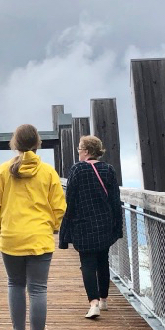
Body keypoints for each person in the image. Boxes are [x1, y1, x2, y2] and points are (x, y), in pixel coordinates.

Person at [0, 123, 67, 330]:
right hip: (39, 238)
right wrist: (52, 227)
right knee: (38, 290)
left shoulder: (4, 170)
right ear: (38, 143)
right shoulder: (47, 172)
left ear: (15, 144)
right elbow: (59, 206)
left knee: (15, 284)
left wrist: (3, 227)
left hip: (12, 236)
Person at [58, 134, 122, 319]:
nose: (78, 152)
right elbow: (115, 201)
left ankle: (93, 303)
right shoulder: (108, 170)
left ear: (86, 151)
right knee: (103, 261)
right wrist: (117, 227)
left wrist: (65, 232)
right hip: (104, 223)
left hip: (83, 224)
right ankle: (104, 300)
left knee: (87, 263)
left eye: (79, 149)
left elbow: (70, 200)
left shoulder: (77, 170)